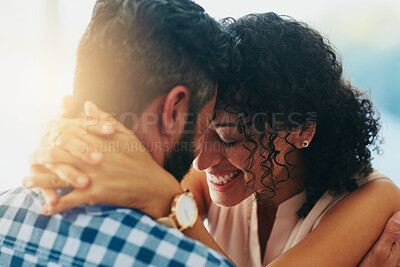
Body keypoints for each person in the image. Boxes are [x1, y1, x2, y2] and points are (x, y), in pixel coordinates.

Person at [27, 10, 400, 267]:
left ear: (301, 129)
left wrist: (170, 202)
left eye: (229, 138)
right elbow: (124, 178)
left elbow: (157, 194)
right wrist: (69, 151)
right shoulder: (215, 183)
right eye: (201, 130)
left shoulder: (372, 199)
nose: (201, 161)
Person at [0, 0, 236, 265]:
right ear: (173, 111)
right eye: (204, 127)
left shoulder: (4, 210)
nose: (201, 158)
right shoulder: (196, 261)